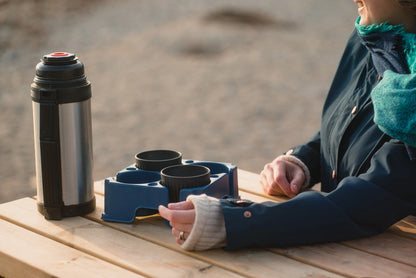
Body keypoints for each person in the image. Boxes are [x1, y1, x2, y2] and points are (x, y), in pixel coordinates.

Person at [158, 0, 416, 251]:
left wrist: (234, 221)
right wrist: (303, 160)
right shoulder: (376, 35)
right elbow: (355, 123)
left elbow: (371, 196)